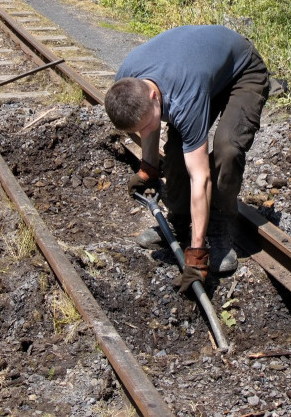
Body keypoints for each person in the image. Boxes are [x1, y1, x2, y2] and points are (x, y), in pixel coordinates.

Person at [105, 25, 270, 293]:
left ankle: (217, 230)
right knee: (175, 149)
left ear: (154, 96)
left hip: (241, 71)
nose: (145, 133)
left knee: (227, 147)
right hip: (203, 71)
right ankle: (179, 221)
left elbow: (200, 177)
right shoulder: (127, 81)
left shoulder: (184, 97)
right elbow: (148, 122)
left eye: (148, 124)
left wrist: (196, 255)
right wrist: (148, 169)